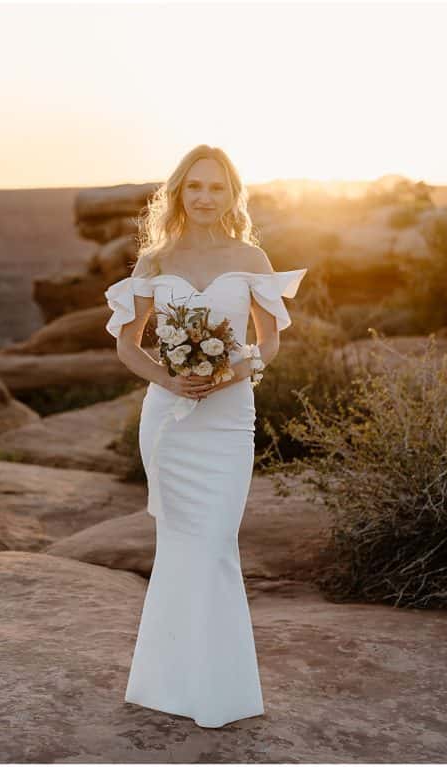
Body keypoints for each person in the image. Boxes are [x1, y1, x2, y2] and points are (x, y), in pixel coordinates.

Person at [104, 144, 307, 726]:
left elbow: (268, 341)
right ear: (178, 192)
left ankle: (220, 690)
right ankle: (168, 684)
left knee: (215, 543)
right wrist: (170, 377)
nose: (204, 197)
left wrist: (235, 370)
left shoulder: (252, 257)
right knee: (179, 547)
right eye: (194, 187)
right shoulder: (154, 262)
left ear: (232, 195)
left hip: (227, 418)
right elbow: (127, 343)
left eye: (216, 188)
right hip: (169, 421)